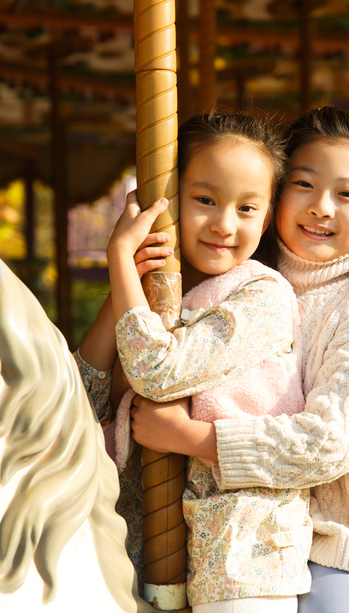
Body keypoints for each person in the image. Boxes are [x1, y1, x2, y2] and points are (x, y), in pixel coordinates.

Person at [130, 106, 349, 613]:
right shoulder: (239, 285)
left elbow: (327, 439)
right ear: (275, 198)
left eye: (347, 194)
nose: (321, 207)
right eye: (304, 185)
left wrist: (193, 439)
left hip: (346, 543)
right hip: (248, 529)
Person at [73, 113, 311, 613]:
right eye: (205, 200)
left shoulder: (262, 297)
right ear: (170, 204)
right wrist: (127, 283)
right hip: (136, 548)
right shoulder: (157, 300)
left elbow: (157, 373)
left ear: (266, 219)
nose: (225, 223)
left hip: (242, 552)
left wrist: (118, 255)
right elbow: (81, 396)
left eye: (247, 208)